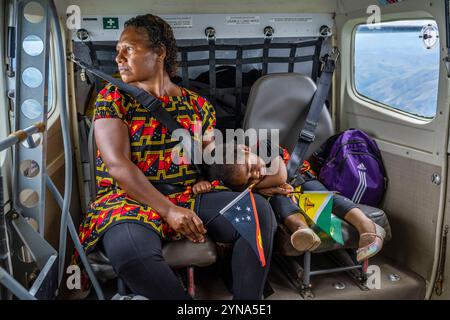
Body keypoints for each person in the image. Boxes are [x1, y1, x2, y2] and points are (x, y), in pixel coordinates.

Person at [78, 14, 277, 300]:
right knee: (131, 254)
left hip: (187, 195)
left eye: (128, 49)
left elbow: (212, 160)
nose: (119, 57)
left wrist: (249, 173)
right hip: (126, 200)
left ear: (159, 52)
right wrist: (168, 211)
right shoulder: (113, 98)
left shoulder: (198, 105)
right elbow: (117, 165)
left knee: (257, 212)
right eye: (118, 50)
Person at [200, 140, 386, 262]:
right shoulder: (253, 178)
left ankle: (367, 226)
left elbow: (281, 175)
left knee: (320, 196)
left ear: (246, 150)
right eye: (248, 180)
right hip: (282, 193)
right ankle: (302, 231)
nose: (255, 175)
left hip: (301, 179)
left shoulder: (263, 146)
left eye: (250, 167)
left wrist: (258, 186)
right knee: (280, 202)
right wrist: (263, 189)